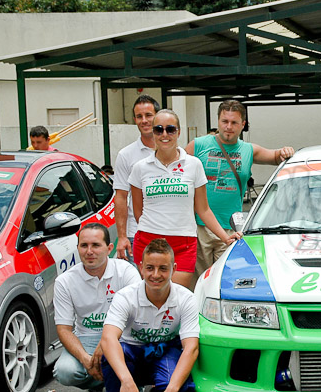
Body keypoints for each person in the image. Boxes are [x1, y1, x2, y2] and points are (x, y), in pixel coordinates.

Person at [101, 238, 200, 392]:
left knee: (182, 377)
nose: (156, 275)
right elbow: (108, 338)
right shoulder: (125, 297)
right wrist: (127, 381)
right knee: (111, 358)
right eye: (150, 268)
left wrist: (171, 391)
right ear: (140, 268)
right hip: (132, 352)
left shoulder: (187, 298)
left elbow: (191, 348)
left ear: (173, 269)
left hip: (165, 351)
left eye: (163, 268)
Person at [185, 100, 294, 284]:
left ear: (243, 124)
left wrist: (285, 151)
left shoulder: (248, 150)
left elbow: (276, 157)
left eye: (234, 122)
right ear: (218, 121)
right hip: (197, 227)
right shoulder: (197, 146)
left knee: (224, 282)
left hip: (231, 229)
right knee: (198, 284)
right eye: (224, 121)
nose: (228, 127)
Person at [129, 109, 240, 289]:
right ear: (153, 132)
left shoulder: (194, 164)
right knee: (151, 298)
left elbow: (203, 209)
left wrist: (225, 237)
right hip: (148, 242)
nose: (164, 134)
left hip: (183, 243)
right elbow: (138, 211)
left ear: (179, 132)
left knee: (176, 299)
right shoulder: (140, 168)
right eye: (159, 129)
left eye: (170, 129)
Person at [52, 223, 146, 392]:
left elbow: (136, 317)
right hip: (86, 338)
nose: (89, 252)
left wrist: (105, 344)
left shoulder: (126, 271)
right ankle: (95, 386)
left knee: (135, 346)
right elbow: (64, 329)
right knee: (64, 372)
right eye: (83, 245)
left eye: (96, 245)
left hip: (123, 335)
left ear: (109, 248)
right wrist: (87, 360)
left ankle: (136, 389)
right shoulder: (64, 281)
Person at [114, 95, 160, 264]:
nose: (144, 120)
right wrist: (122, 236)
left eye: (148, 115)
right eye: (139, 116)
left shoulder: (175, 152)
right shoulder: (126, 155)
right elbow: (120, 197)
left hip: (169, 232)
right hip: (137, 234)